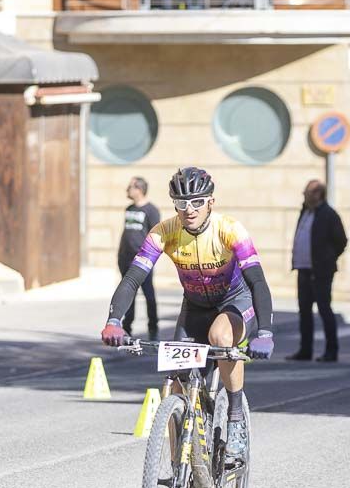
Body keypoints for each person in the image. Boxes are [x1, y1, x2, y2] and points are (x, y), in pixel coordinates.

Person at [100, 167, 274, 462]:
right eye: (181, 204)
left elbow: (257, 281)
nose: (189, 210)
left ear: (211, 202)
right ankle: (178, 465)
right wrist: (114, 321)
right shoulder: (165, 232)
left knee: (220, 336)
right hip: (194, 307)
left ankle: (234, 421)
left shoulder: (230, 229)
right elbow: (132, 279)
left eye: (196, 202)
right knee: (174, 382)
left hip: (234, 302)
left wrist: (265, 333)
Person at [287, 180, 348, 363]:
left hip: (320, 270)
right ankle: (305, 350)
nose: (304, 195)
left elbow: (341, 241)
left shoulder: (329, 214)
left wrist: (327, 259)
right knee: (304, 311)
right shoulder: (305, 212)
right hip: (303, 268)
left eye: (307, 192)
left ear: (318, 194)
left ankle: (331, 350)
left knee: (324, 309)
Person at [117, 177, 160, 341]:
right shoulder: (129, 209)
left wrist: (150, 258)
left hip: (143, 261)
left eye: (130, 187)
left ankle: (153, 328)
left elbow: (156, 236)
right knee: (128, 294)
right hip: (125, 259)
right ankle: (127, 328)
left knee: (149, 295)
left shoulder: (151, 210)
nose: (127, 190)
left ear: (139, 190)